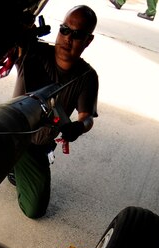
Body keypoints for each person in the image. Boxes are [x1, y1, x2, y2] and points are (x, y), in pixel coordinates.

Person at [9, 5, 99, 219]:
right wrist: (20, 30)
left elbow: (87, 118)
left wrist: (79, 127)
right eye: (64, 30)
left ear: (88, 40)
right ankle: (9, 164)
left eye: (77, 35)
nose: (68, 38)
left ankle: (15, 166)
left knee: (35, 209)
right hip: (8, 134)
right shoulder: (33, 51)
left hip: (35, 148)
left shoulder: (87, 77)